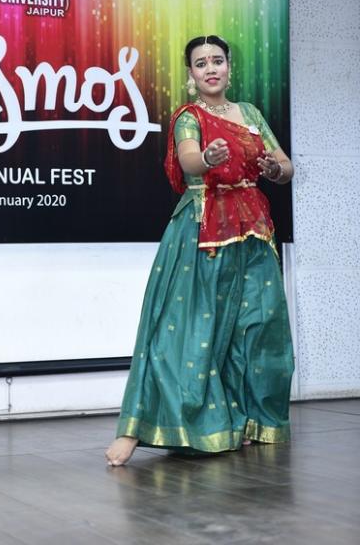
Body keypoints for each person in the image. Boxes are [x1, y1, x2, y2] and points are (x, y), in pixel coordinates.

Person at [106, 35, 294, 466]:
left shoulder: (250, 114)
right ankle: (140, 428)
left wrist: (274, 169)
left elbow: (285, 166)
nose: (211, 68)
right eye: (201, 63)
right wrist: (208, 158)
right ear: (191, 74)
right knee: (187, 328)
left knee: (257, 325)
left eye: (217, 60)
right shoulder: (188, 117)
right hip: (202, 227)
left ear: (229, 67)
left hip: (252, 230)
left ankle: (246, 420)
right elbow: (189, 160)